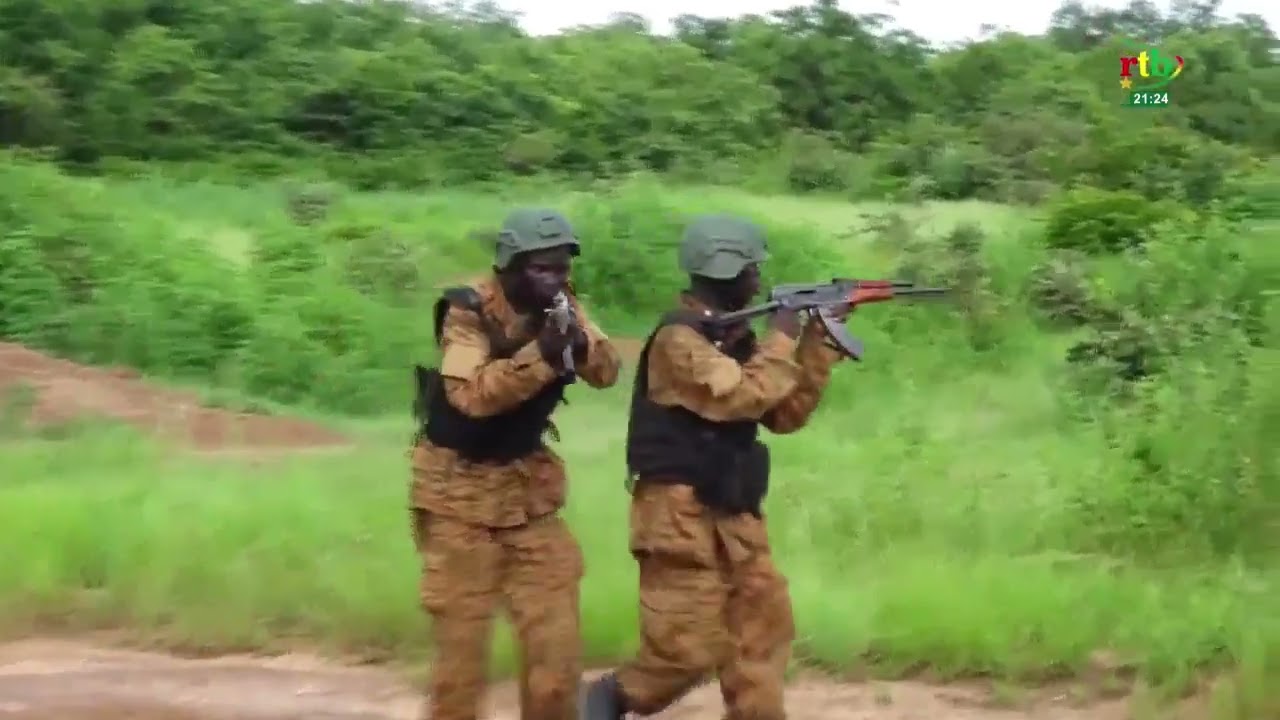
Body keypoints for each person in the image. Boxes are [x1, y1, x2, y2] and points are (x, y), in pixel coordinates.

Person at [579, 215, 849, 720]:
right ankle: (603, 701)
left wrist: (818, 343)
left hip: (734, 512)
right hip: (678, 518)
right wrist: (783, 338)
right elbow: (742, 395)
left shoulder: (734, 338)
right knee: (686, 650)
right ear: (729, 272)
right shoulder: (678, 340)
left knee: (761, 634)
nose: (758, 280)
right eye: (753, 270)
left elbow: (784, 415)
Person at [410, 208, 622, 720]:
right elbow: (471, 396)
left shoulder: (562, 302)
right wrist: (543, 355)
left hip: (528, 496)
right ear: (509, 266)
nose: (554, 279)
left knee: (557, 655)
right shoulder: (467, 310)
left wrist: (581, 345)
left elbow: (607, 372)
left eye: (561, 268)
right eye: (540, 269)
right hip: (457, 497)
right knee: (460, 668)